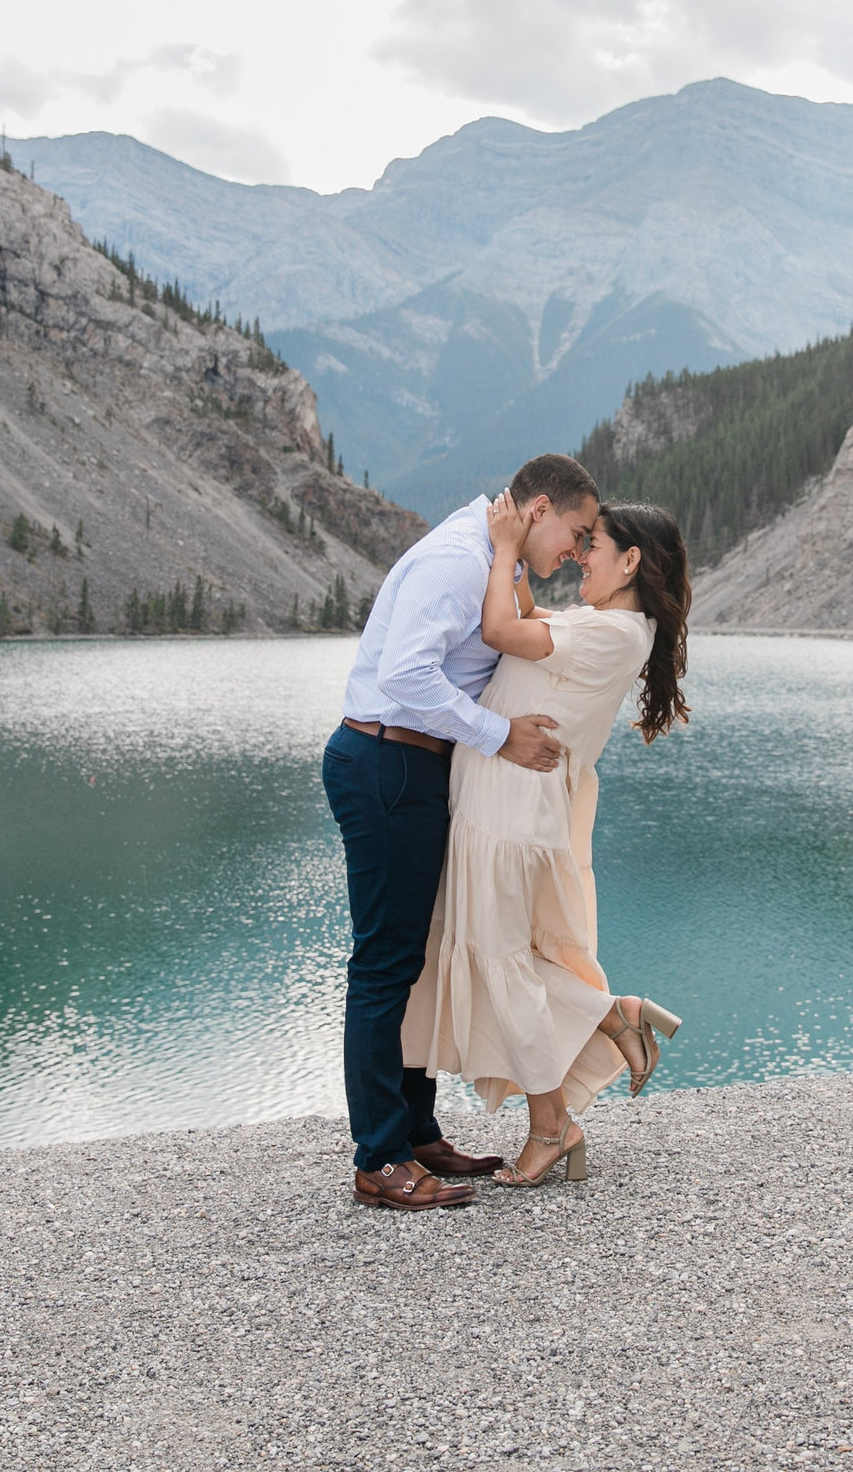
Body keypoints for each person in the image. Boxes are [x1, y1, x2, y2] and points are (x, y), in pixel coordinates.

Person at [323, 454, 602, 1211]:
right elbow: (409, 677)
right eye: (576, 534)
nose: (576, 554)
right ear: (539, 508)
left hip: (410, 765)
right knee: (384, 964)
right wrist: (498, 735)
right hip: (387, 761)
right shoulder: (456, 560)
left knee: (414, 955)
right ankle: (379, 1158)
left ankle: (415, 1130)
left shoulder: (493, 559)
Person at [403, 494, 691, 1188]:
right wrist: (524, 545)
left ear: (630, 561)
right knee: (507, 962)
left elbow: (502, 629)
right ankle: (607, 1023)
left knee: (503, 965)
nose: (582, 556)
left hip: (508, 812)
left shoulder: (616, 632)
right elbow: (531, 617)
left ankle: (552, 1125)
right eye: (581, 540)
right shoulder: (607, 622)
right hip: (498, 804)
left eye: (594, 545)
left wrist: (504, 547)